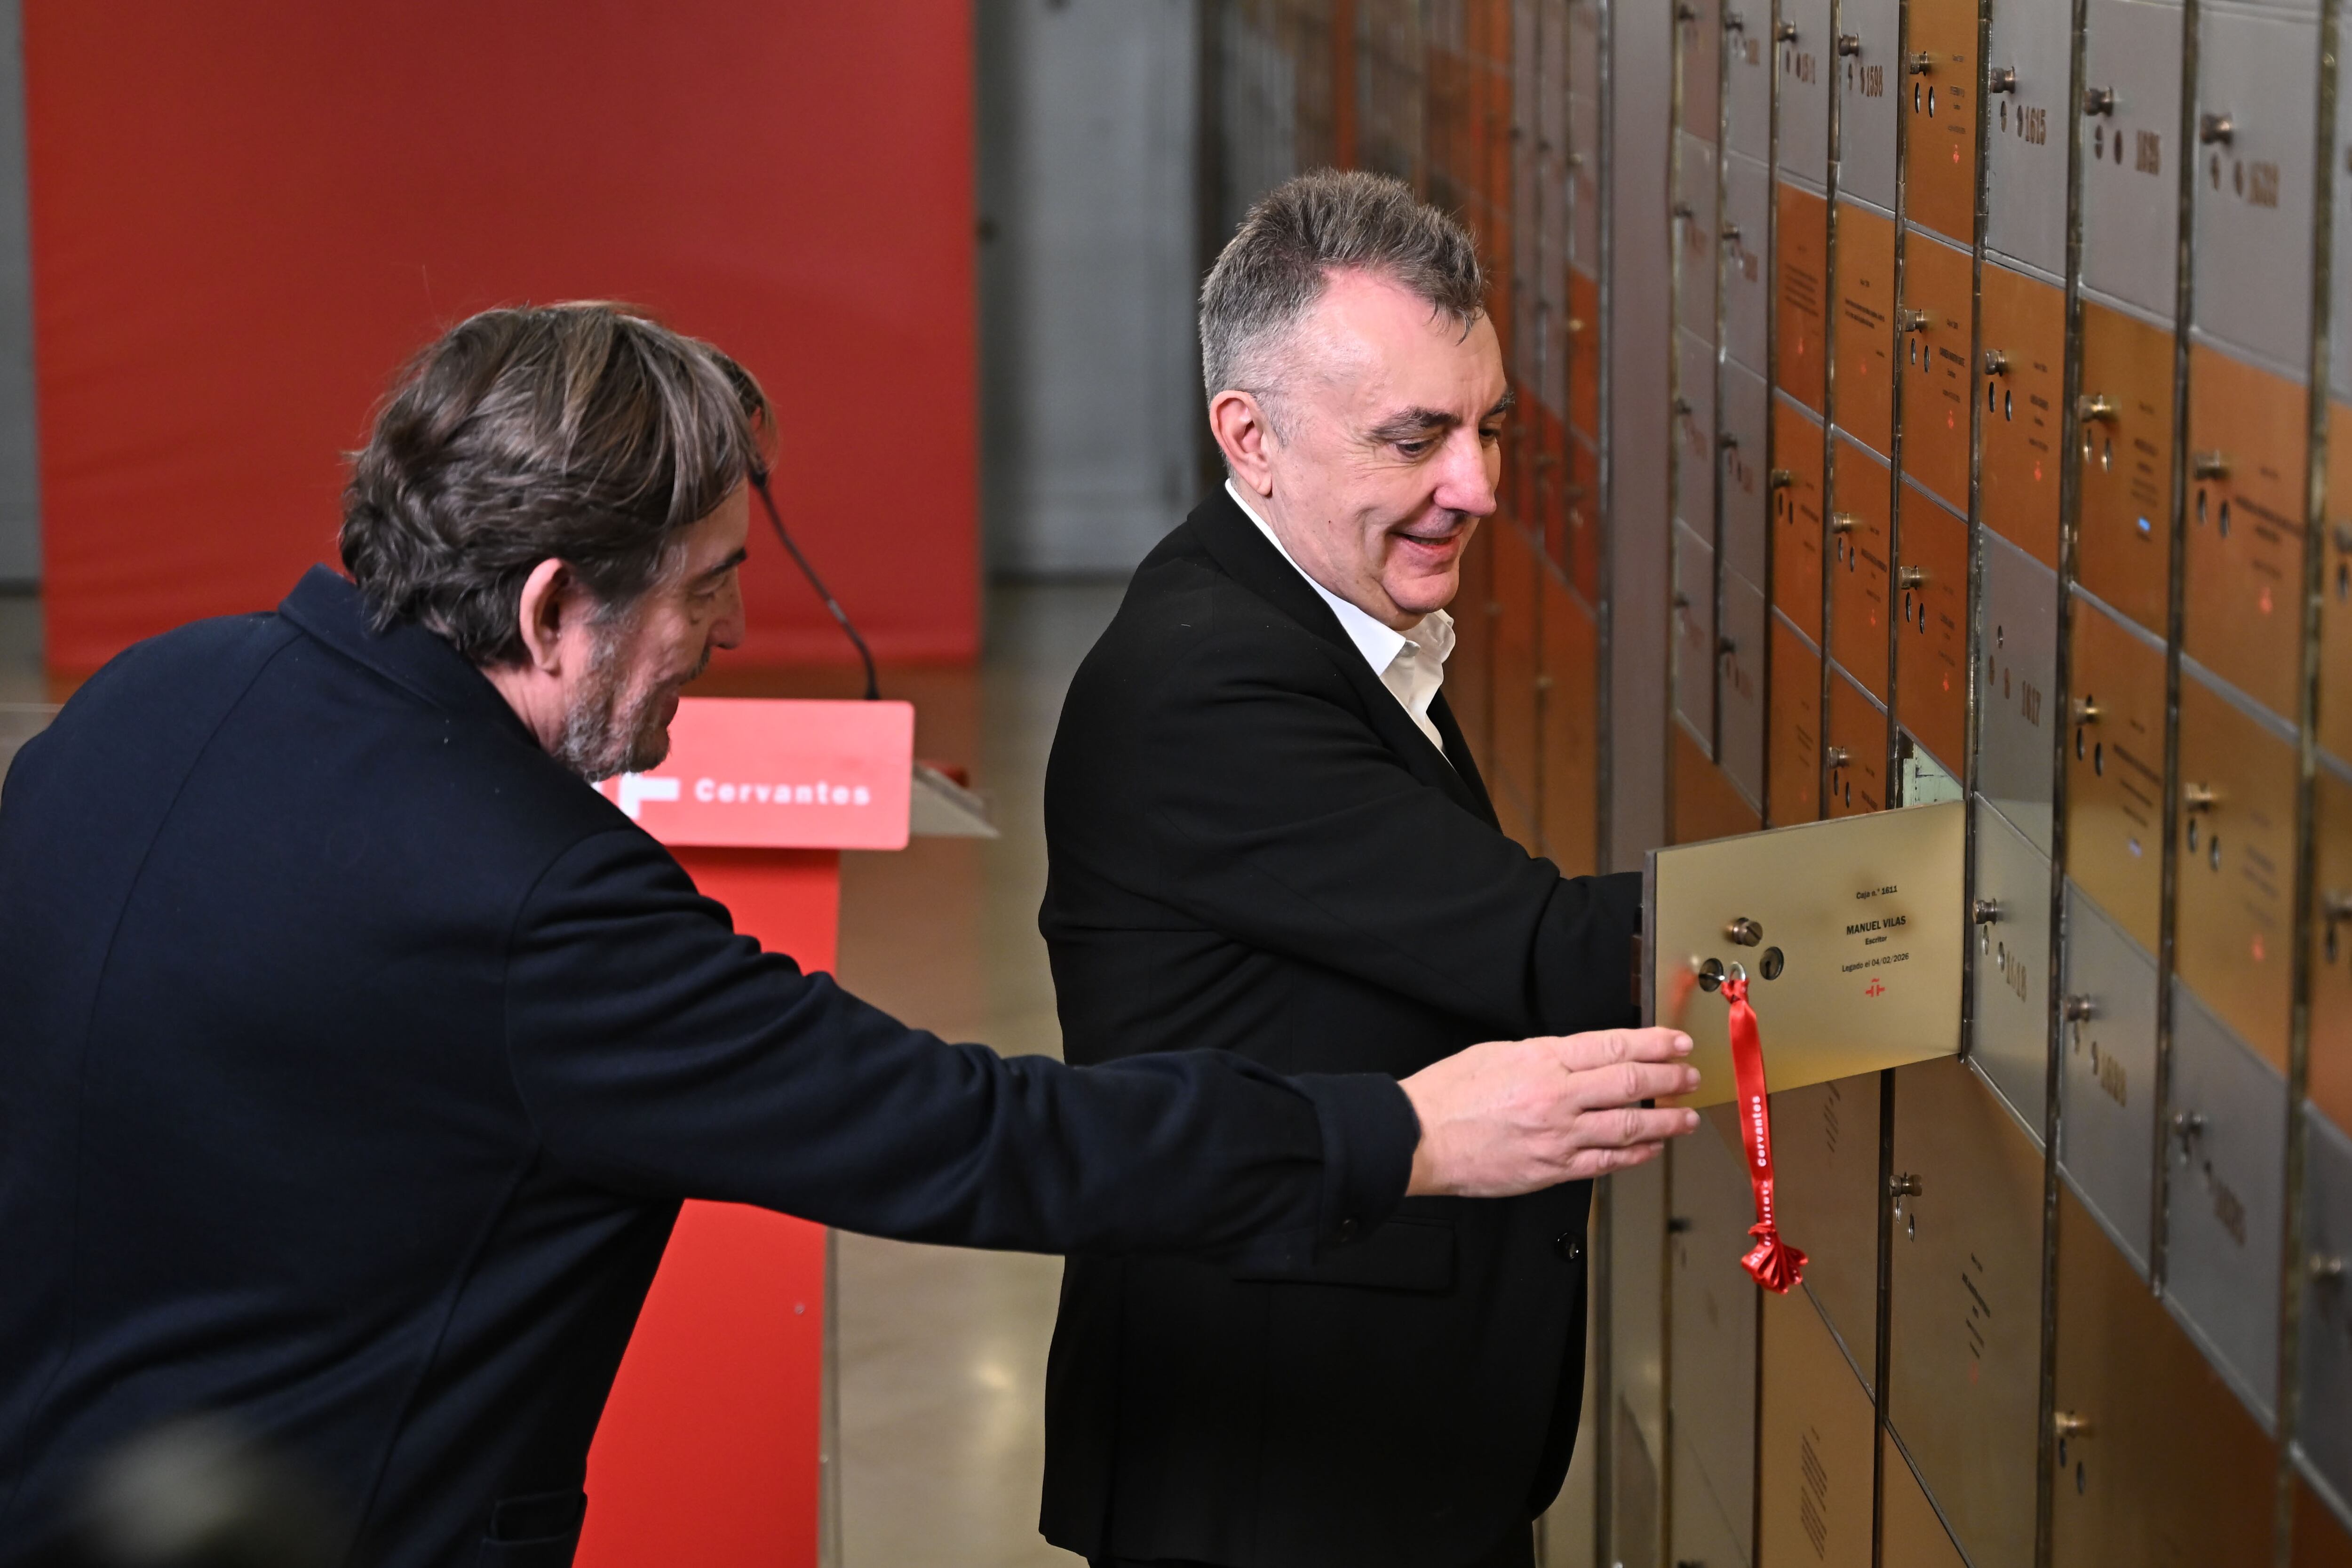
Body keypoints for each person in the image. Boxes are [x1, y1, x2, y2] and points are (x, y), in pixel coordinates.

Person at [0, 303, 1699, 1568]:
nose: (732, 636)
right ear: (549, 608)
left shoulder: (155, 694)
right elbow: (966, 1138)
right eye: (707, 585)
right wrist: (1398, 1130)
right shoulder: (531, 905)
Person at [1038, 171, 1667, 1568]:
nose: (1478, 488)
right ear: (1249, 439)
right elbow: (1544, 951)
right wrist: (1913, 916)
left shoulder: (1313, 617)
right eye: (1416, 439)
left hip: (1365, 1451)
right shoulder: (1208, 685)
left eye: (1487, 428)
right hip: (1279, 1475)